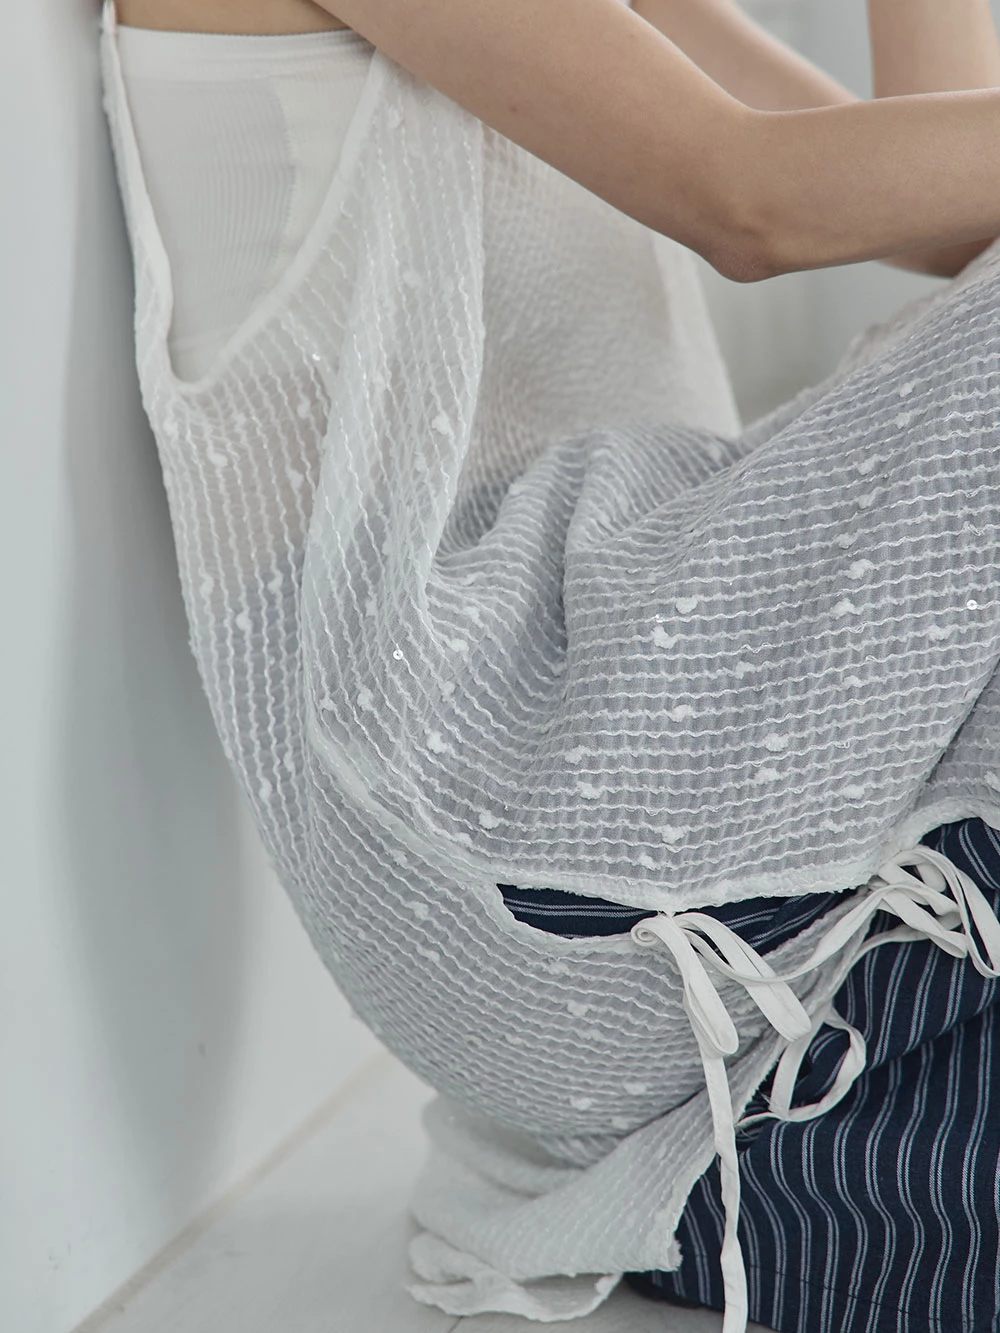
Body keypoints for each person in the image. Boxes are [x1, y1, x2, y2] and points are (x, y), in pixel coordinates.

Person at [101, 3, 1000, 1331]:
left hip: (657, 734)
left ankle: (839, 1176)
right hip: (499, 817)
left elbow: (946, 228)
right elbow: (752, 200)